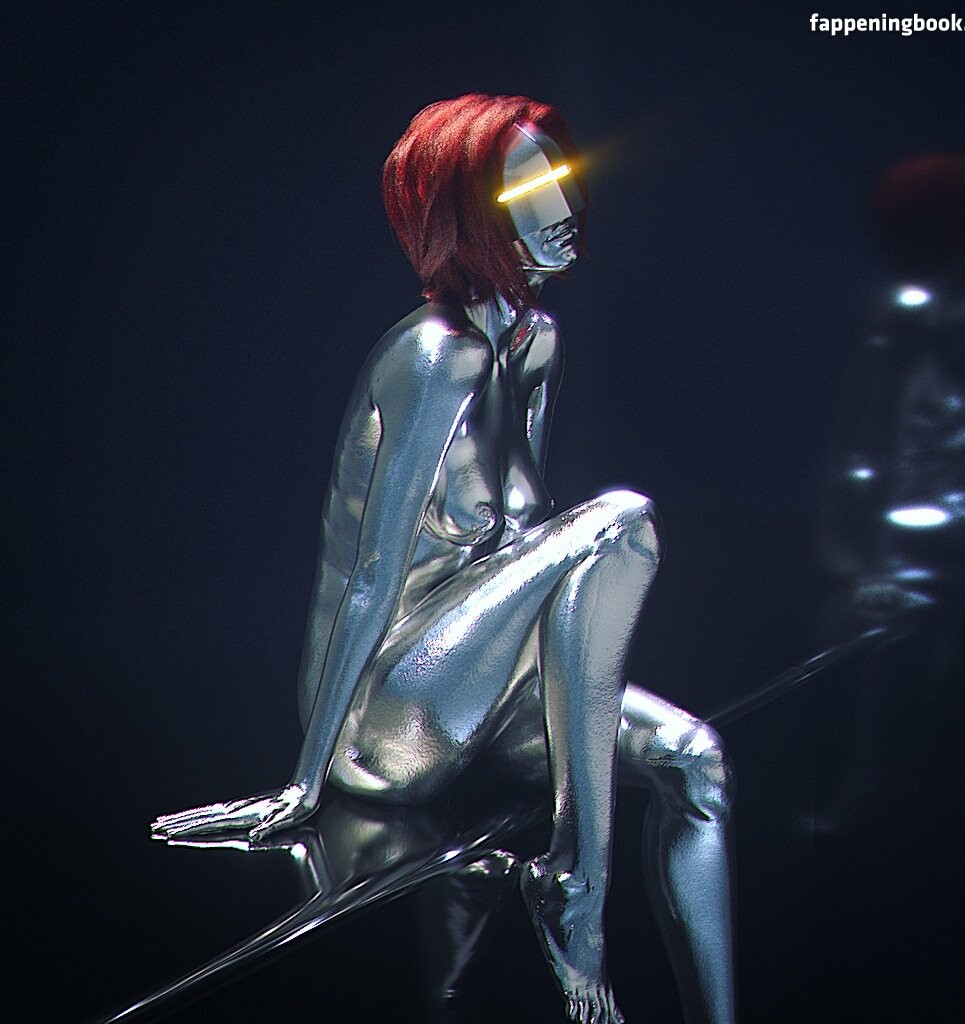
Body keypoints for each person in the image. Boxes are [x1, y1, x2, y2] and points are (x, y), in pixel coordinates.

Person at [152, 94, 734, 1024]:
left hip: (476, 690)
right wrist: (306, 778)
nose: (563, 207)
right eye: (526, 189)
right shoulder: (433, 356)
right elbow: (373, 575)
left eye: (561, 177)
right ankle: (576, 886)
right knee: (621, 518)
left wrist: (563, 686)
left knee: (695, 761)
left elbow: (528, 555)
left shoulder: (535, 344)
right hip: (387, 719)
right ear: (463, 215)